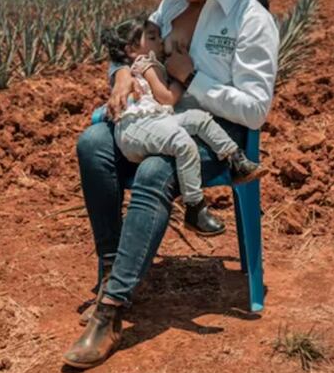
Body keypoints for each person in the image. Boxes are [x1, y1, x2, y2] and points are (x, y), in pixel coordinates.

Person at [65, 0, 280, 369]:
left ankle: (111, 311)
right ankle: (111, 270)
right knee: (92, 144)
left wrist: (194, 80)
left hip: (216, 133)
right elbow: (132, 47)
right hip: (155, 118)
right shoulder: (172, 4)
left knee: (156, 168)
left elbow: (255, 110)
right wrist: (121, 73)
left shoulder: (251, 20)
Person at [100, 15, 264, 233]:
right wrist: (183, 77)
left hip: (155, 120)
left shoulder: (147, 64)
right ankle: (195, 206)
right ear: (131, 49)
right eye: (152, 38)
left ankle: (235, 159)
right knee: (183, 144)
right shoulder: (146, 65)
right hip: (137, 126)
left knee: (198, 119)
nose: (160, 41)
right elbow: (167, 98)